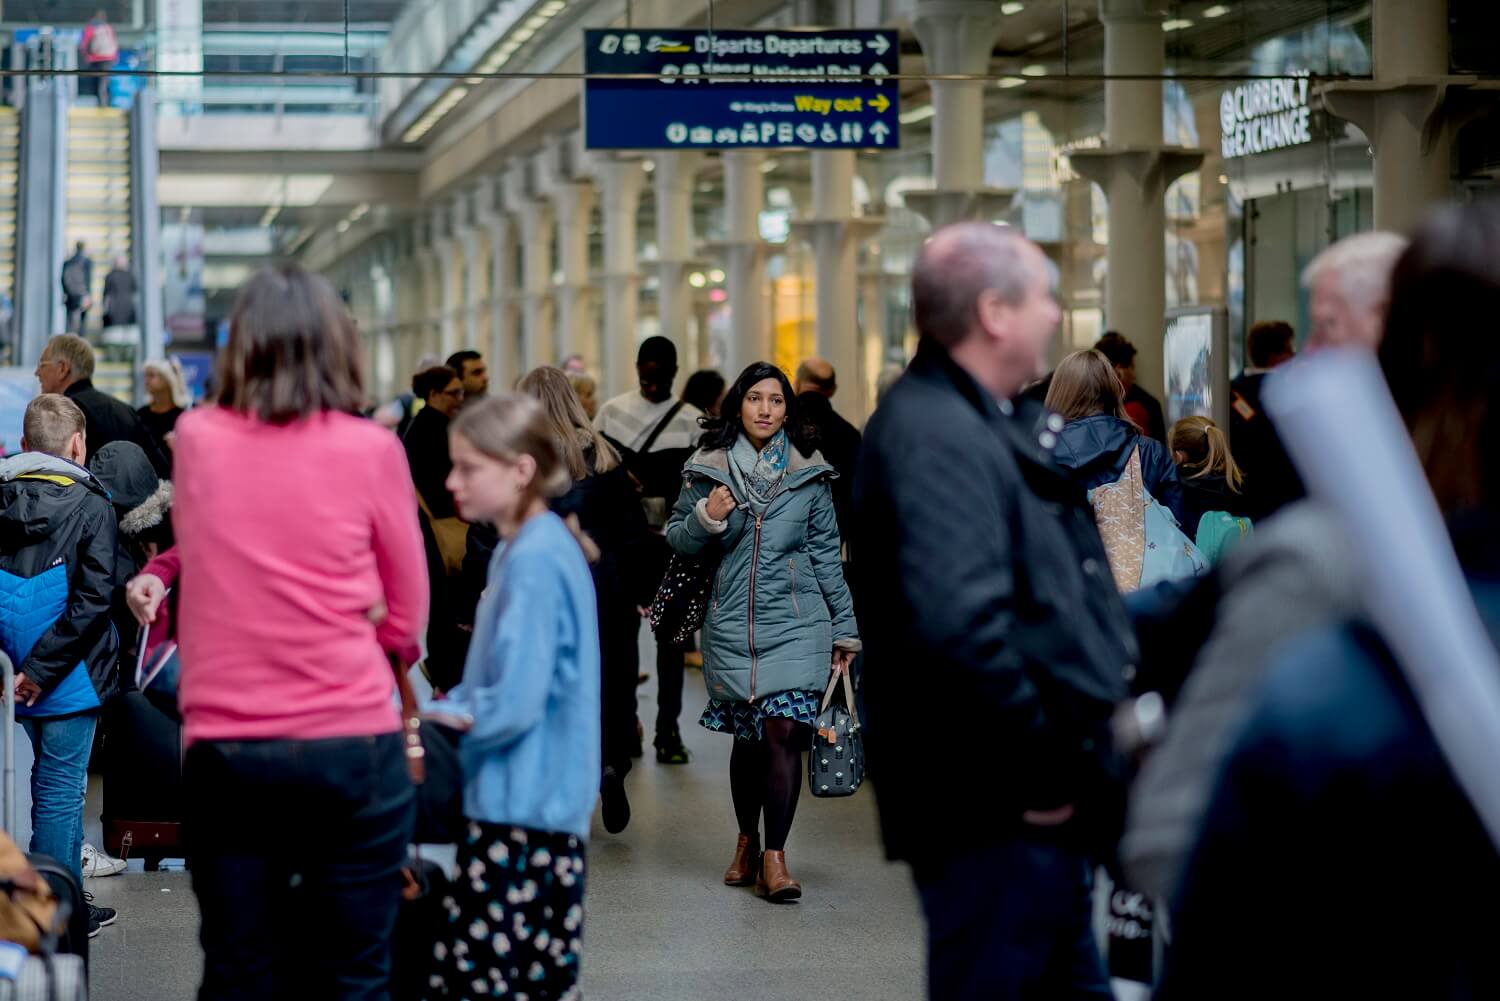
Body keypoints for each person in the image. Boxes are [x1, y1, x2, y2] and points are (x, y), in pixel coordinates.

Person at [1159, 204, 1500, 1001]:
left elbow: (1204, 911)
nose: (1310, 364)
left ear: (1404, 348)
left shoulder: (1328, 665)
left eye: (1332, 329)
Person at [125, 265, 427, 998]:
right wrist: (358, 654)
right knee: (357, 971)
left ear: (241, 348)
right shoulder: (374, 449)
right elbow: (409, 611)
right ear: (336, 348)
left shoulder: (196, 438)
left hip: (230, 748)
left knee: (239, 967)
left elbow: (214, 552)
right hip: (353, 741)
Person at [854, 222, 1136, 1000]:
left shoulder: (981, 418)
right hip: (994, 813)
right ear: (994, 313)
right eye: (1045, 297)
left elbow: (1044, 602)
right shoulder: (936, 434)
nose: (1055, 313)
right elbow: (960, 631)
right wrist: (1044, 775)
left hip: (1018, 814)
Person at [666, 361, 859, 902]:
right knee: (749, 742)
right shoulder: (707, 468)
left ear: (788, 409)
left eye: (776, 401)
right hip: (732, 624)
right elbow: (679, 540)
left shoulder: (811, 473)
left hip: (799, 624)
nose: (766, 410)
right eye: (755, 399)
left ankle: (775, 857)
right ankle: (746, 841)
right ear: (738, 405)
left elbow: (827, 556)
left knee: (781, 733)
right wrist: (707, 515)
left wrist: (845, 630)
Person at [433, 393, 600, 1000]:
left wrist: (429, 719)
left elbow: (514, 701)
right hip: (533, 806)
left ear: (521, 469)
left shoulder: (532, 559)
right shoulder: (526, 546)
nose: (453, 482)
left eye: (470, 467)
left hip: (523, 812)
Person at [0, 395, 121, 936]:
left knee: (45, 785)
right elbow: (92, 602)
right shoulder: (93, 506)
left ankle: (69, 898)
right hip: (68, 673)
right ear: (78, 445)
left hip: (10, 667)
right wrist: (44, 672)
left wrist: (10, 668)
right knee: (60, 789)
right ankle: (53, 914)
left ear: (24, 445)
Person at [517, 366, 653, 835]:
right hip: (606, 587)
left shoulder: (521, 460)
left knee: (552, 685)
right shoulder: (607, 457)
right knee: (611, 682)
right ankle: (610, 763)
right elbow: (634, 534)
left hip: (545, 590)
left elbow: (496, 532)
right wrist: (642, 591)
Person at [595, 336, 703, 764]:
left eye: (660, 375)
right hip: (627, 546)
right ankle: (633, 726)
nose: (652, 382)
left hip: (667, 546)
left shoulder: (692, 422)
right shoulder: (612, 413)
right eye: (646, 374)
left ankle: (667, 729)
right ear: (637, 367)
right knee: (624, 643)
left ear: (675, 372)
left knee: (669, 643)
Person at [1047, 348, 1187, 528]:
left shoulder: (1044, 455)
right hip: (1143, 556)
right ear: (1112, 392)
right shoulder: (1151, 452)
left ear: (1059, 393)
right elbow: (1176, 526)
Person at [36, 333, 170, 477]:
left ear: (63, 369)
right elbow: (161, 469)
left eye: (42, 364)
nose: (37, 372)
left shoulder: (62, 413)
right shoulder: (127, 411)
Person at [1230, 320, 1301, 519]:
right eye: (1289, 350)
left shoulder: (1231, 393)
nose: (1294, 357)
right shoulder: (1290, 395)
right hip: (1286, 503)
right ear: (1274, 357)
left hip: (1243, 502)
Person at [794, 358, 862, 545]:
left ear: (797, 383)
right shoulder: (849, 434)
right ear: (832, 390)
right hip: (832, 533)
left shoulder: (780, 425)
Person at [1169, 416, 1253, 549]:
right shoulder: (1235, 482)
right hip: (1233, 562)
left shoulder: (1174, 487)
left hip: (1192, 565)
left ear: (1179, 456)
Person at [403, 365, 464, 520]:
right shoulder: (430, 429)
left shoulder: (429, 422)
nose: (460, 399)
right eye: (454, 393)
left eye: (460, 392)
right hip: (442, 516)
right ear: (434, 394)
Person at [1095, 331, 1167, 442]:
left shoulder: (1148, 404)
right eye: (1132, 368)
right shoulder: (1091, 404)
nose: (1134, 376)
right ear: (1119, 370)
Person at [138, 358, 190, 467]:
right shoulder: (140, 414)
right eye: (145, 376)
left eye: (151, 375)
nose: (146, 381)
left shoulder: (183, 417)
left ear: (167, 379)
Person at [78, 9, 118, 105]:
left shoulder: (91, 27)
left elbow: (84, 44)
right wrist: (114, 57)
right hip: (108, 58)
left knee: (96, 82)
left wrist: (86, 56)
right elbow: (114, 42)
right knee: (104, 82)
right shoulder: (107, 27)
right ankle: (105, 104)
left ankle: (100, 104)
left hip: (95, 59)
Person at [61, 242, 93, 333]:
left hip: (70, 297)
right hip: (83, 295)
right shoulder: (87, 262)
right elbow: (88, 280)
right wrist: (88, 295)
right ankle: (79, 343)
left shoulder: (67, 262)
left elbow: (62, 279)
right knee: (82, 325)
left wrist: (66, 293)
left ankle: (69, 343)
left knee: (70, 324)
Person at [103, 257, 136, 329]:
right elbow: (135, 289)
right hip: (128, 308)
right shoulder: (130, 275)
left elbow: (106, 294)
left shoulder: (110, 276)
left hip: (114, 310)